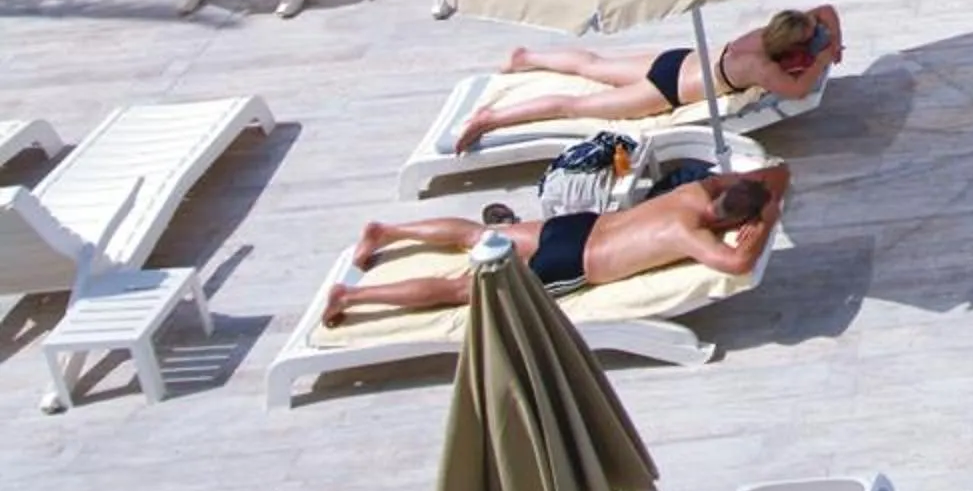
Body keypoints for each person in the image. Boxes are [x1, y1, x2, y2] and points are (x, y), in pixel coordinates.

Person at [325, 163, 789, 320]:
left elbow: (771, 173)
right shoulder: (689, 236)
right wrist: (766, 220)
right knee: (460, 291)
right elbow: (735, 265)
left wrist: (756, 195)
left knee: (477, 234)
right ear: (736, 219)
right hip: (573, 261)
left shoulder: (693, 191)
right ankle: (352, 296)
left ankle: (387, 231)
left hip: (580, 227)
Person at [452, 6, 845, 153]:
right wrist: (826, 55)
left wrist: (834, 42)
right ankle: (493, 118)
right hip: (667, 90)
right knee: (570, 107)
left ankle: (526, 58)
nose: (818, 31)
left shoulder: (765, 34)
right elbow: (798, 88)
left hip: (677, 61)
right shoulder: (763, 68)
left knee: (593, 63)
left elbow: (825, 11)